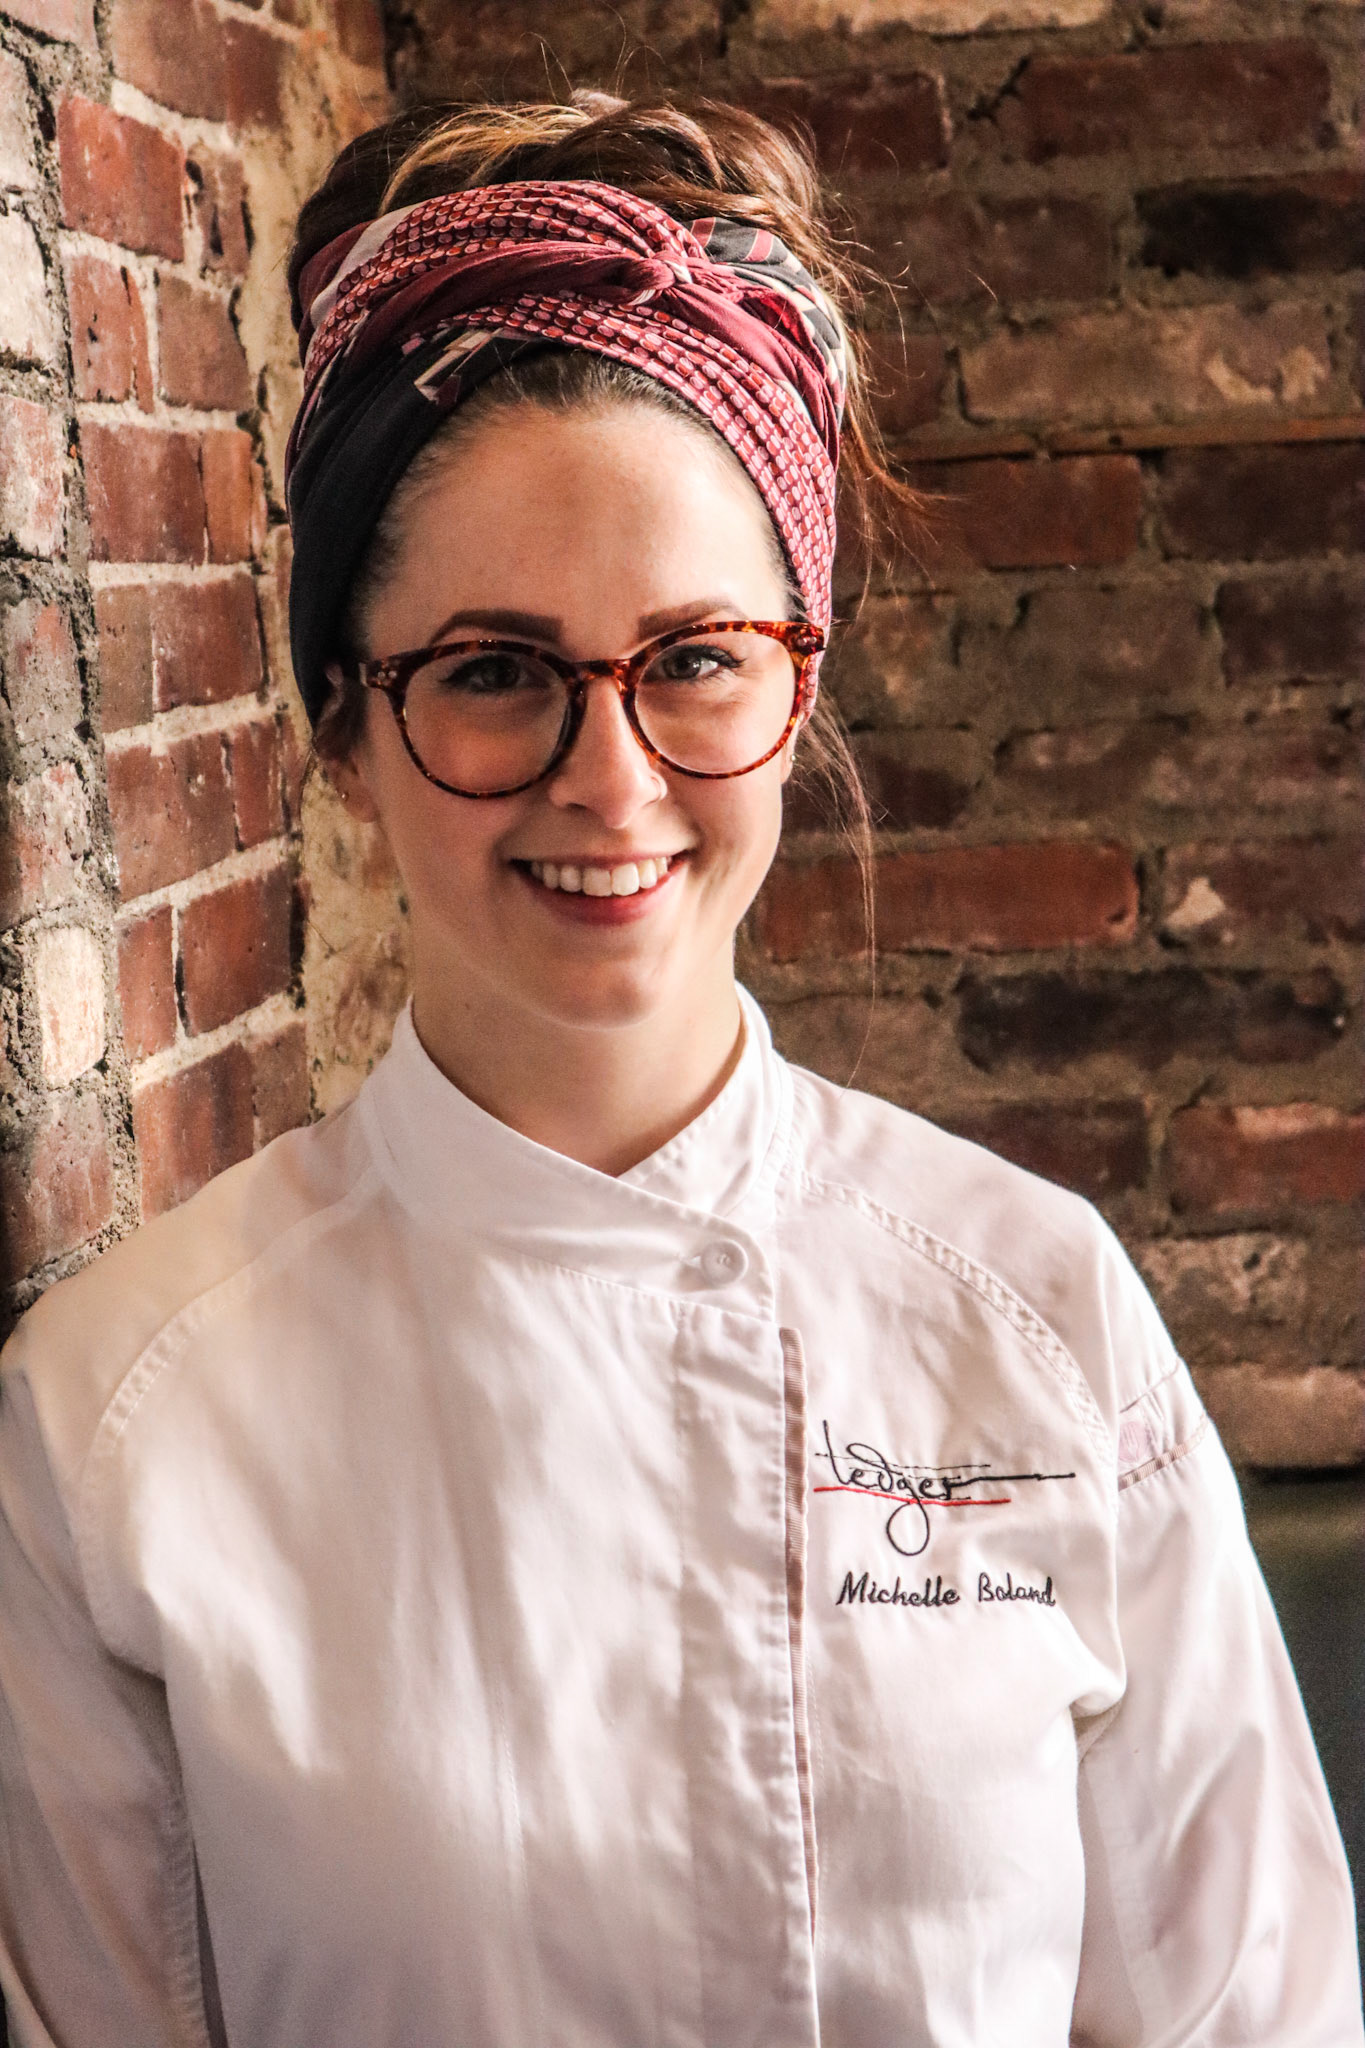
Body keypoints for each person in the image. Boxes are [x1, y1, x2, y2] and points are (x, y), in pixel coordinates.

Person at [0, 92, 1357, 2048]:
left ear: (797, 685)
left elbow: (1255, 2012)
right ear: (343, 729)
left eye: (695, 658)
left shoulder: (1039, 1313)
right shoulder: (114, 1424)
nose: (611, 779)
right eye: (492, 671)